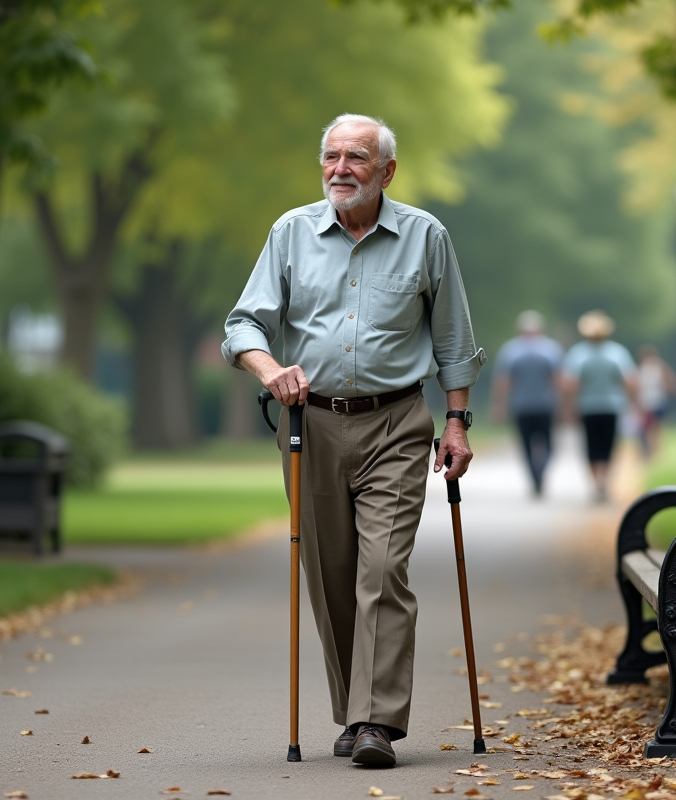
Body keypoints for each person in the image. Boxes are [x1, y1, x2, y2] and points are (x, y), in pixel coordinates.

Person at [221, 113, 485, 768]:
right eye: (332, 156)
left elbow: (454, 342)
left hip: (396, 423)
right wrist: (270, 370)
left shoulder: (426, 236)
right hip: (311, 425)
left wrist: (455, 423)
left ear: (387, 171)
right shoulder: (290, 233)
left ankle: (376, 722)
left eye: (358, 157)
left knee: (383, 569)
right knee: (330, 574)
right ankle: (353, 709)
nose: (341, 169)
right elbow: (243, 325)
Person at [561, 310, 639, 503]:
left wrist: (569, 407)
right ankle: (604, 480)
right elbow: (630, 381)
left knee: (591, 446)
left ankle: (597, 482)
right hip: (612, 406)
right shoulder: (617, 352)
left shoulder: (578, 353)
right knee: (609, 445)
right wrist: (633, 402)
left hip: (588, 407)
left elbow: (571, 384)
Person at [491, 310, 563, 496]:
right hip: (543, 405)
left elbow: (503, 381)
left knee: (527, 445)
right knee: (547, 444)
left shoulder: (511, 350)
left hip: (524, 406)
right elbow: (558, 380)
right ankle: (539, 474)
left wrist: (499, 405)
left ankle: (536, 476)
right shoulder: (550, 349)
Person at [635, 344, 676, 461]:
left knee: (657, 427)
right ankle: (650, 451)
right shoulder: (643, 367)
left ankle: (656, 451)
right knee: (648, 428)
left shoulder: (659, 366)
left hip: (658, 400)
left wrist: (669, 388)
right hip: (647, 402)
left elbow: (671, 380)